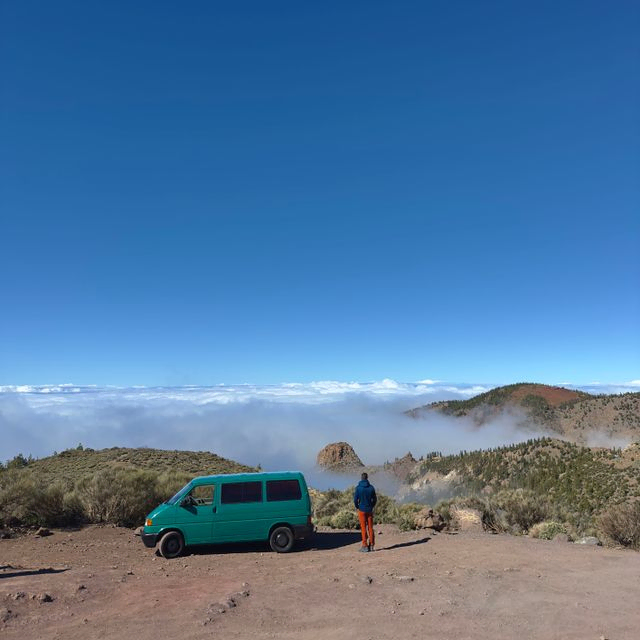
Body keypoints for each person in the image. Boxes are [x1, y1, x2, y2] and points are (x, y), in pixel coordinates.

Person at [353, 472, 377, 552]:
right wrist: (372, 506)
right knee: (370, 528)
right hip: (369, 509)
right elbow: (375, 499)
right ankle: (372, 545)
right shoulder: (371, 488)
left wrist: (358, 507)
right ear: (367, 478)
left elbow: (355, 500)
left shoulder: (358, 488)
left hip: (362, 510)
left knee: (363, 528)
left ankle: (364, 545)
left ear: (361, 478)